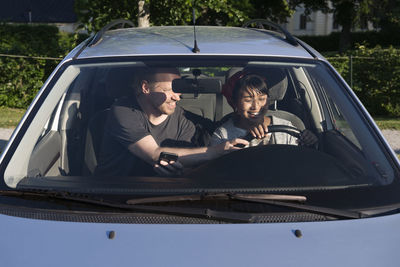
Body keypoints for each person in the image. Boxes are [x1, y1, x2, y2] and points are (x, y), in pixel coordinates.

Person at [94, 67, 248, 177]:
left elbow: (176, 161)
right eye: (170, 90)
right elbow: (154, 154)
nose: (177, 97)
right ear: (146, 88)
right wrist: (217, 151)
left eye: (179, 88)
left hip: (159, 198)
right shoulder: (123, 110)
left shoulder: (185, 121)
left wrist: (256, 121)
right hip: (110, 197)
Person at [210, 73, 317, 146]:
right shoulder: (222, 136)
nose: (256, 106)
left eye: (261, 99)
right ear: (235, 103)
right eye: (248, 100)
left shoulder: (287, 128)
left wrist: (310, 139)